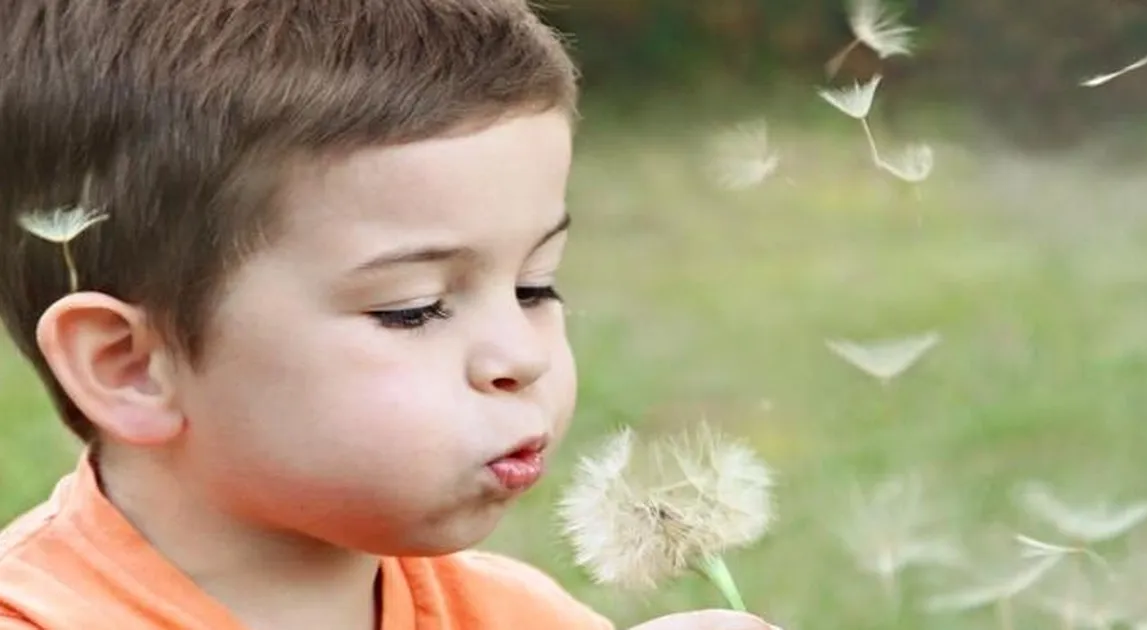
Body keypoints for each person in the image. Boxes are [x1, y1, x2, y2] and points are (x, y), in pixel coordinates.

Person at [0, 2, 781, 629]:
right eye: (414, 310)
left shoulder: (518, 617)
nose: (521, 355)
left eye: (535, 286)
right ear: (130, 366)